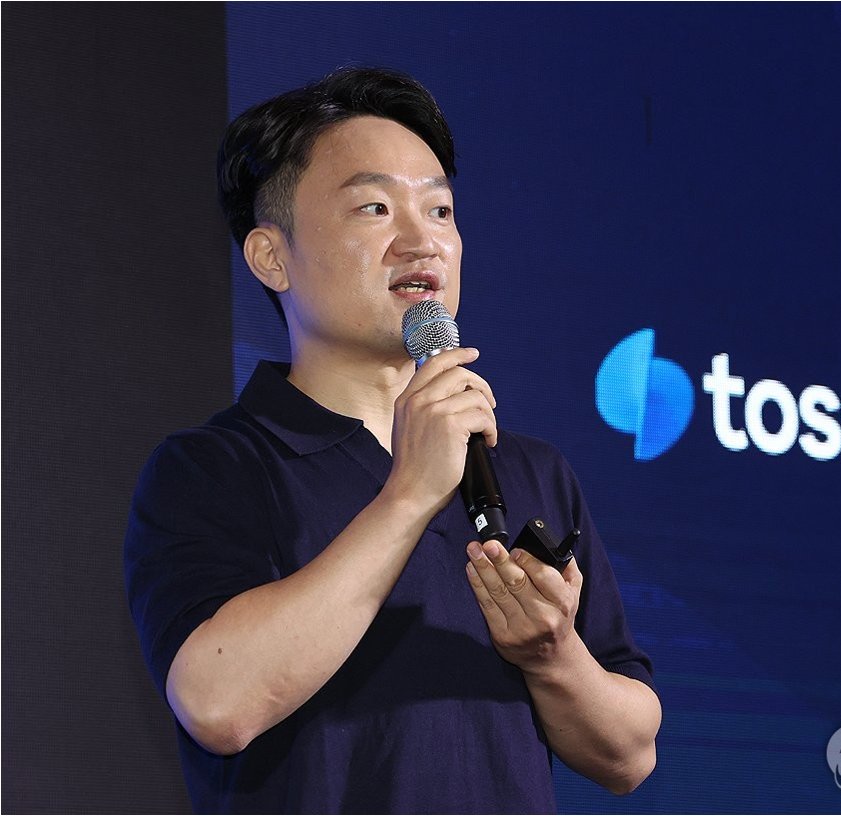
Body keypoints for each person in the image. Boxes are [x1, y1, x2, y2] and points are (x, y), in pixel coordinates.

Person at [124, 67, 661, 813]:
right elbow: (217, 702)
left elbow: (631, 755)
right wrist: (409, 493)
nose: (422, 241)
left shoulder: (529, 469)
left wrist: (553, 655)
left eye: (440, 211)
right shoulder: (213, 467)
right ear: (271, 257)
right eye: (375, 208)